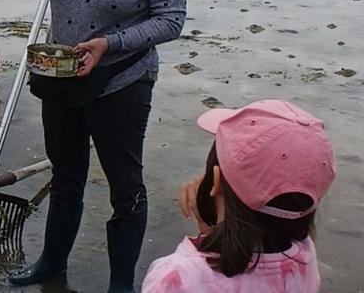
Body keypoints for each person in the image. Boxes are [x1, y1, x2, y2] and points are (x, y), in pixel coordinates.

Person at [10, 0, 188, 292]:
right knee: (65, 175)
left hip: (121, 82)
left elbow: (170, 21)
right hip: (63, 77)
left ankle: (121, 285)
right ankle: (52, 264)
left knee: (124, 187)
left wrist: (109, 44)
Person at [142, 100, 336, 292]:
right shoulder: (304, 255)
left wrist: (208, 225)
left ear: (215, 181)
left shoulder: (177, 278)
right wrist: (213, 229)